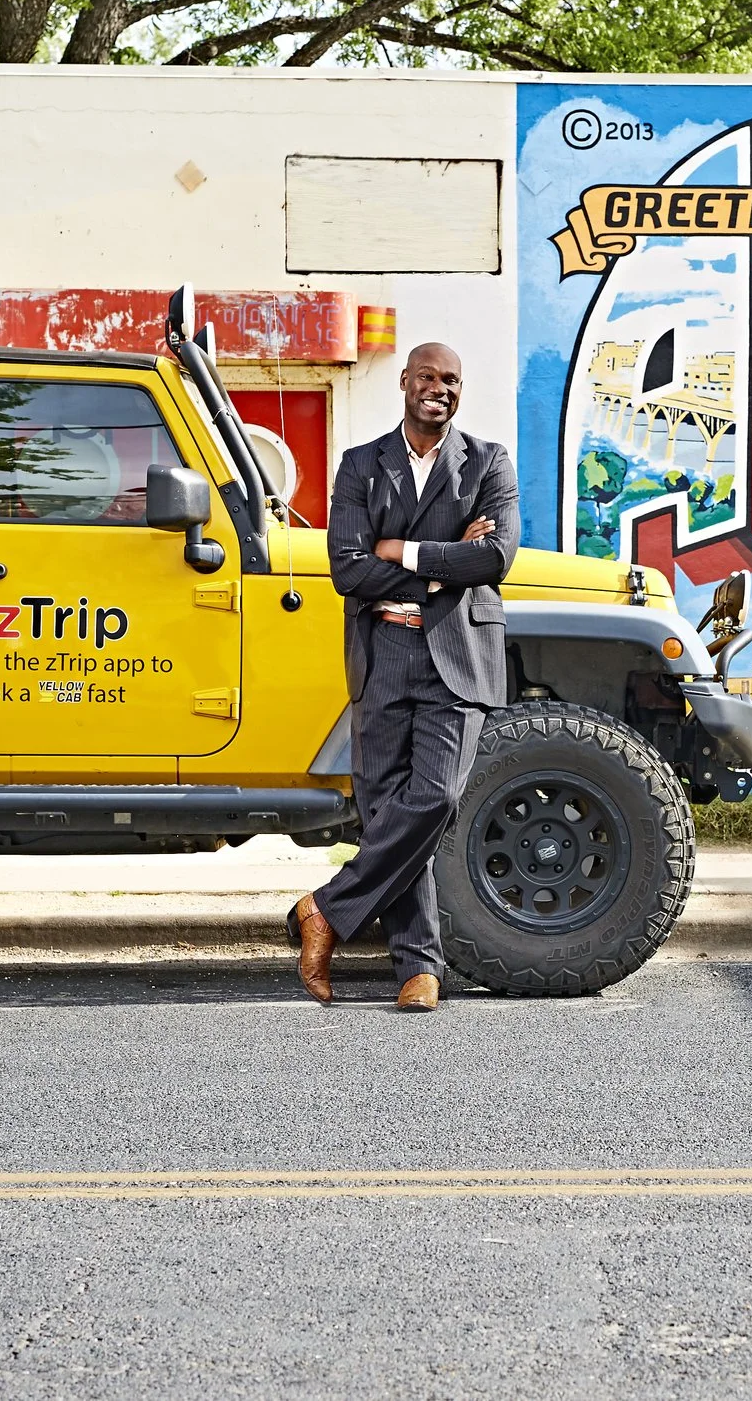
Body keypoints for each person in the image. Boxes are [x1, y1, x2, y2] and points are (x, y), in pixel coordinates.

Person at [290, 343, 519, 1011]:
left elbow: (497, 556)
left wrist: (404, 548)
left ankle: (325, 909)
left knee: (437, 796)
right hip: (384, 648)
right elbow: (348, 570)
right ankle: (418, 968)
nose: (439, 389)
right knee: (390, 809)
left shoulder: (487, 462)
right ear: (405, 382)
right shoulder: (363, 465)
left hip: (454, 654)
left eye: (451, 379)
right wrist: (446, 562)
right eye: (428, 377)